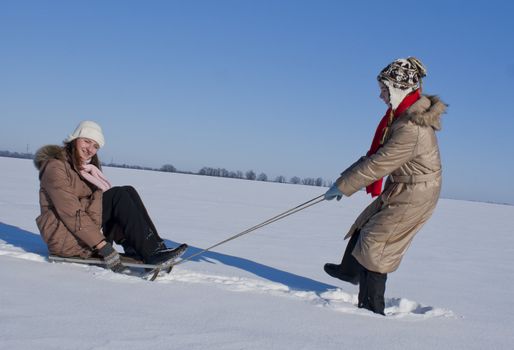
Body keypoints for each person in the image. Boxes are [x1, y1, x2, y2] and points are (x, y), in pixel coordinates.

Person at [323, 57, 447, 315]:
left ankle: (372, 312)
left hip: (416, 194)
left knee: (377, 245)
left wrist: (345, 186)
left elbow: (379, 164)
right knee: (365, 224)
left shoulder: (411, 127)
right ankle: (349, 271)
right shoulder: (400, 117)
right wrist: (342, 181)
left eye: (384, 89)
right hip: (404, 187)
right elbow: (376, 156)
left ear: (399, 89)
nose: (380, 95)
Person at [34, 120, 187, 272]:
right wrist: (103, 247)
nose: (90, 149)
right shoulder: (56, 167)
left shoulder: (85, 169)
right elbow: (71, 213)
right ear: (74, 139)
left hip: (80, 229)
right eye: (87, 141)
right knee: (117, 196)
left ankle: (150, 248)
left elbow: (97, 207)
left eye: (95, 146)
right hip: (64, 237)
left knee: (127, 191)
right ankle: (152, 252)